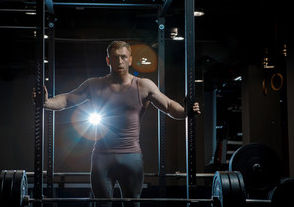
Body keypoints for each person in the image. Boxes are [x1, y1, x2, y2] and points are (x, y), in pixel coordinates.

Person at [35, 40, 200, 207]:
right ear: (108, 60)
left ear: (130, 59)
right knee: (102, 204)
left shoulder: (143, 86)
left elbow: (170, 106)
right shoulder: (94, 85)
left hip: (131, 157)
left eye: (123, 57)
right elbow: (67, 99)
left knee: (132, 204)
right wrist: (46, 103)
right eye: (115, 57)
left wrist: (186, 111)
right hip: (101, 157)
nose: (119, 61)